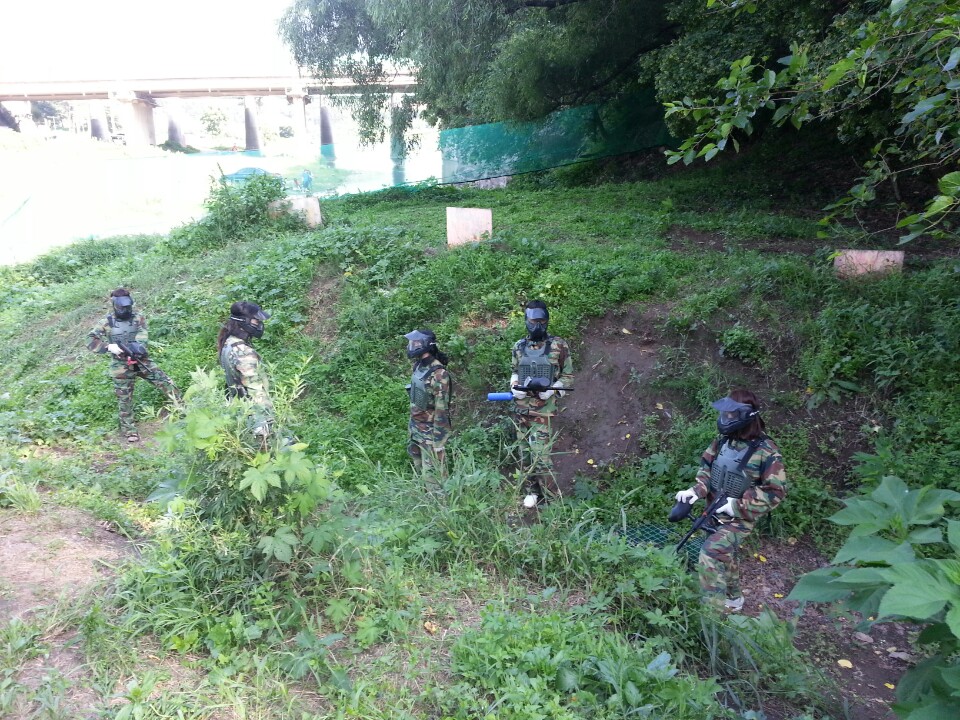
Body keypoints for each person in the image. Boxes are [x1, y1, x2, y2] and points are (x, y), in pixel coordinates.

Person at [674, 389, 787, 611]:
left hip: (740, 519)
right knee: (724, 554)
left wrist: (736, 506)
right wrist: (695, 491)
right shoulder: (723, 442)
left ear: (745, 415)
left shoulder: (766, 451)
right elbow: (707, 469)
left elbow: (775, 492)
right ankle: (734, 598)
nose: (726, 418)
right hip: (713, 510)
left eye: (731, 414)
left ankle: (712, 614)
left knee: (710, 553)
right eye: (725, 414)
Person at [87, 288, 181, 443]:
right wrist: (108, 347)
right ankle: (129, 430)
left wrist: (137, 348)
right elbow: (90, 340)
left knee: (166, 383)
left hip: (141, 360)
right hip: (121, 365)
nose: (125, 310)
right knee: (124, 399)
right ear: (115, 305)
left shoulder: (138, 318)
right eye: (121, 307)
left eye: (127, 306)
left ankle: (184, 410)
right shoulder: (106, 322)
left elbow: (142, 335)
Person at [510, 300, 574, 508]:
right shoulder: (519, 347)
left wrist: (554, 389)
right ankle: (532, 492)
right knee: (525, 454)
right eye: (533, 321)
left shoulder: (558, 345)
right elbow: (514, 371)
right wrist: (514, 386)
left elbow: (568, 377)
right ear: (526, 321)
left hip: (543, 411)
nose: (537, 326)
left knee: (541, 455)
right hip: (521, 408)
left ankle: (553, 499)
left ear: (547, 321)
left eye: (541, 321)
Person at [217, 301, 274, 440]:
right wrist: (267, 422)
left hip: (240, 411)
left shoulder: (229, 342)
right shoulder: (243, 352)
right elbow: (255, 390)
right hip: (254, 417)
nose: (259, 324)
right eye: (256, 320)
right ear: (244, 321)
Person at [404, 329, 452, 487]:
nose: (412, 345)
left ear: (426, 345)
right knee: (418, 470)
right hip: (416, 428)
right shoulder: (418, 366)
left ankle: (439, 502)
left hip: (430, 433)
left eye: (416, 343)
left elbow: (442, 410)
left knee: (433, 479)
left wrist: (439, 442)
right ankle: (422, 501)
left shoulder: (439, 374)